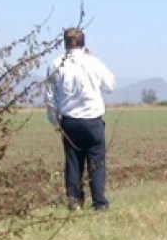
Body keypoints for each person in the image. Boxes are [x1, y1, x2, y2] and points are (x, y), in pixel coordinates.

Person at [45, 28, 116, 211]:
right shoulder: (93, 62)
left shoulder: (55, 65)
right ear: (84, 42)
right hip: (92, 120)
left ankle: (74, 202)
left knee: (73, 162)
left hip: (69, 121)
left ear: (65, 43)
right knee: (97, 164)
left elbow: (50, 98)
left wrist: (55, 123)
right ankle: (99, 204)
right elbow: (110, 86)